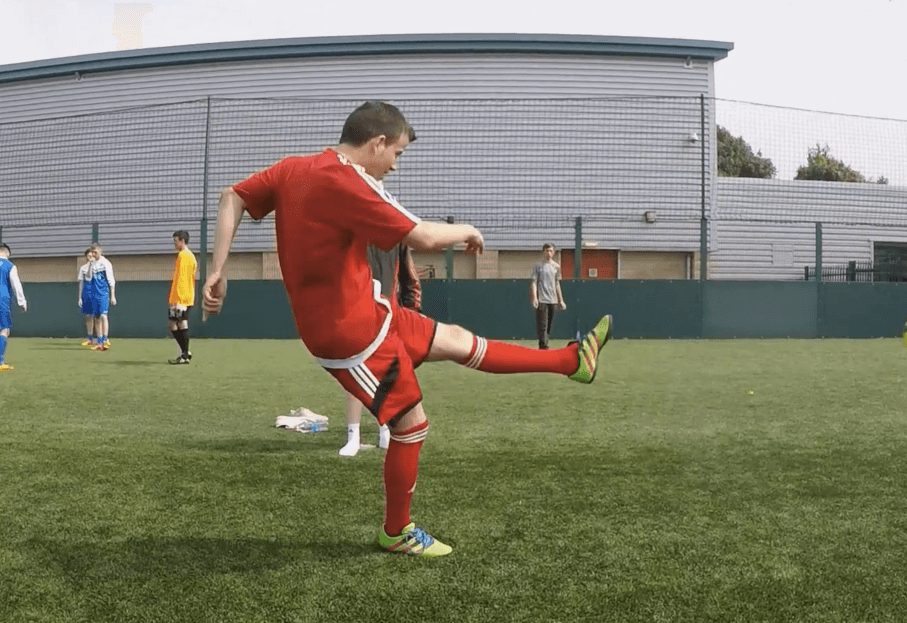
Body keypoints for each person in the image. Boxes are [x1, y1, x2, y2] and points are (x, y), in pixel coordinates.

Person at [202, 101, 612, 557]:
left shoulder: (293, 168)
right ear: (377, 143)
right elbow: (423, 238)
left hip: (374, 311)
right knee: (411, 425)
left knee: (458, 340)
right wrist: (469, 230)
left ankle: (570, 361)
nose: (395, 165)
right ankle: (396, 532)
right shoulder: (348, 181)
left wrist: (217, 268)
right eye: (397, 153)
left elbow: (231, 196)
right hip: (349, 335)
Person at [339, 242, 422, 457]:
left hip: (388, 311)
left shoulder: (398, 237)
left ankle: (384, 431)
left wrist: (412, 314)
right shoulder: (353, 228)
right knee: (354, 369)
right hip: (357, 308)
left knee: (386, 371)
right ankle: (353, 436)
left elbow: (409, 277)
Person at [530, 243, 566, 349]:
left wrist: (561, 300)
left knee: (549, 324)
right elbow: (534, 282)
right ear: (543, 252)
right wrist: (535, 298)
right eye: (546, 251)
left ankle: (545, 344)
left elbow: (557, 284)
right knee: (542, 325)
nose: (548, 253)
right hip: (542, 299)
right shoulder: (538, 266)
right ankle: (543, 347)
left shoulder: (556, 267)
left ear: (553, 252)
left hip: (553, 300)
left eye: (550, 251)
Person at [168, 230, 197, 364]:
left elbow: (182, 279)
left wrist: (178, 300)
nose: (174, 243)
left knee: (179, 323)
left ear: (182, 240)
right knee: (175, 323)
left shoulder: (184, 256)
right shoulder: (188, 255)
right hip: (184, 296)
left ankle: (185, 354)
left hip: (182, 297)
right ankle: (185, 352)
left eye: (176, 240)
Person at [0, 243, 29, 371]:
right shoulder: (10, 266)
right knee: (4, 329)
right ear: (7, 253)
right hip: (2, 299)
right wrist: (22, 302)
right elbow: (16, 284)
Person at [86, 244, 117, 351]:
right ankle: (99, 341)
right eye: (92, 252)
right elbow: (89, 277)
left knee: (104, 316)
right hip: (94, 294)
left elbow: (111, 280)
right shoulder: (93, 264)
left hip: (103, 293)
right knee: (97, 317)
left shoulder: (106, 263)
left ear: (100, 251)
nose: (93, 254)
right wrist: (90, 264)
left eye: (95, 252)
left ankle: (105, 340)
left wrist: (113, 296)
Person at [77, 248, 95, 346]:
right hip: (87, 292)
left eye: (92, 256)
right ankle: (89, 337)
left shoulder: (99, 267)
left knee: (98, 316)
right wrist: (80, 297)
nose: (90, 258)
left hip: (96, 291)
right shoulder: (83, 268)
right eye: (89, 256)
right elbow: (81, 283)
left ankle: (101, 337)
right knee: (88, 316)